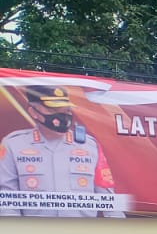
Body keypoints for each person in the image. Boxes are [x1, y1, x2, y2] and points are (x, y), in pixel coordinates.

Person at [0, 85, 122, 217]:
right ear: (33, 111)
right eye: (54, 109)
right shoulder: (13, 145)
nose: (63, 115)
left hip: (81, 233)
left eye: (66, 110)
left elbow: (109, 201)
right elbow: (8, 202)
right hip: (35, 233)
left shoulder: (90, 146)